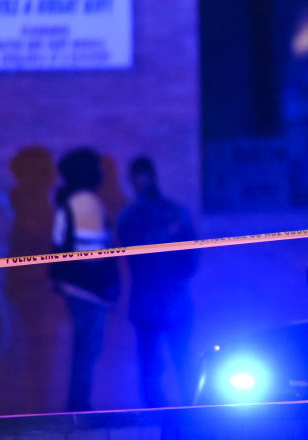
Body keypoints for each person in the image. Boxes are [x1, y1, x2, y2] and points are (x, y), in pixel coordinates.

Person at [117, 156, 198, 408]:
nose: (140, 182)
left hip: (165, 298)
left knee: (176, 362)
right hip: (155, 299)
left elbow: (190, 257)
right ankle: (166, 412)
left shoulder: (169, 212)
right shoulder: (139, 215)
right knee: (157, 365)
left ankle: (188, 410)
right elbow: (135, 252)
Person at [50, 146, 120, 411]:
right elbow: (92, 251)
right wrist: (107, 286)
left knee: (86, 350)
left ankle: (78, 406)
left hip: (83, 288)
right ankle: (78, 408)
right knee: (86, 351)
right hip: (87, 289)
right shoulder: (82, 202)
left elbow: (61, 244)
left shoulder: (71, 201)